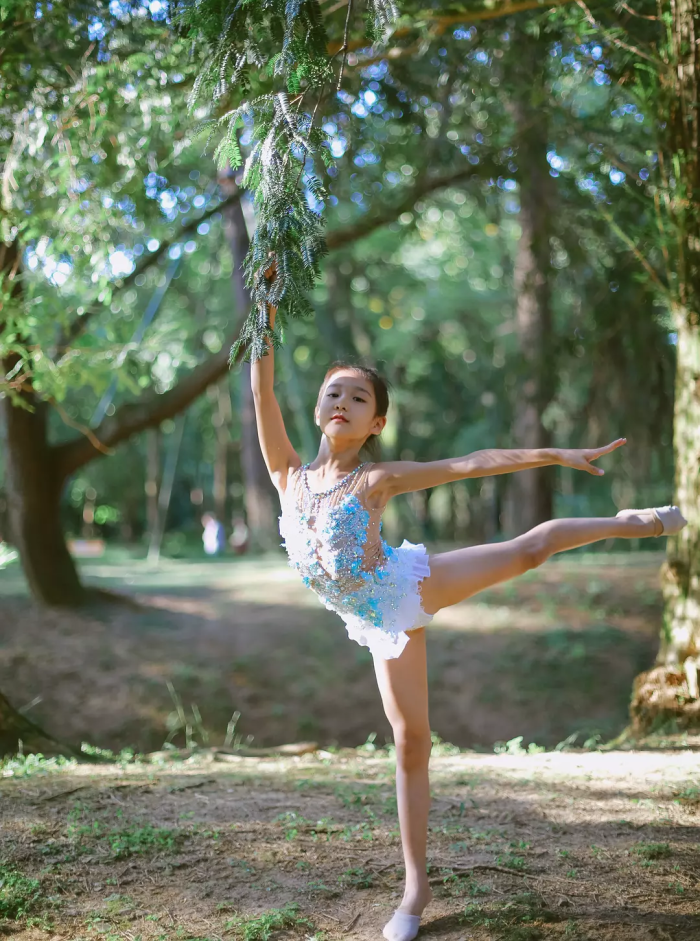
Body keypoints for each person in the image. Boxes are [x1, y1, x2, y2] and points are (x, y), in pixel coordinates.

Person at [250, 284, 686, 941]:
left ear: (377, 425)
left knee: (527, 553)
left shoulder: (375, 480)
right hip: (365, 618)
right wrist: (264, 308)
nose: (343, 401)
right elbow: (260, 390)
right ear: (317, 410)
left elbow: (470, 463)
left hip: (400, 594)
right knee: (410, 740)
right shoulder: (287, 475)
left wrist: (556, 454)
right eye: (334, 393)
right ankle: (418, 887)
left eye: (359, 397)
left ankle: (634, 522)